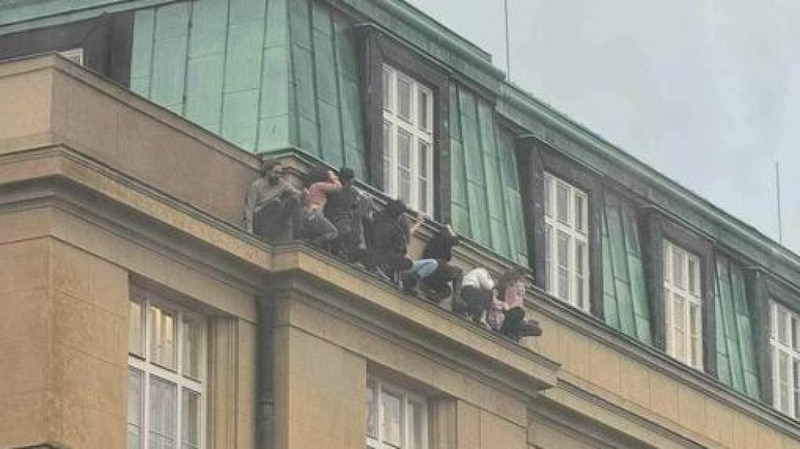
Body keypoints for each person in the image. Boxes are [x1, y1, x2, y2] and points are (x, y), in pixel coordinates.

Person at [363, 199, 438, 294]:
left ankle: (409, 280)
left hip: (383, 261)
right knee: (432, 263)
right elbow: (405, 239)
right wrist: (418, 223)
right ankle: (411, 281)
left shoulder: (381, 221)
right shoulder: (395, 230)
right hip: (395, 265)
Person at [243, 158, 303, 243]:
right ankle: (265, 235)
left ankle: (298, 235)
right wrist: (249, 230)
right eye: (276, 173)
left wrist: (305, 194)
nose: (278, 176)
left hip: (274, 219)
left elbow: (297, 194)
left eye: (280, 173)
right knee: (275, 202)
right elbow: (249, 208)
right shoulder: (256, 185)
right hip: (260, 219)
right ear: (268, 172)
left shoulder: (282, 183)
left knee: (294, 200)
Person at [324, 167, 376, 262]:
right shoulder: (347, 192)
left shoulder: (338, 189)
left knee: (353, 232)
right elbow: (358, 210)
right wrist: (366, 202)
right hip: (339, 222)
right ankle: (347, 254)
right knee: (353, 235)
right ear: (346, 180)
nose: (352, 182)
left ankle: (347, 252)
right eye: (350, 180)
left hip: (338, 221)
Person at [419, 225, 464, 307]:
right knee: (459, 272)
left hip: (431, 277)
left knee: (447, 290)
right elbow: (455, 240)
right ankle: (457, 300)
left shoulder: (441, 242)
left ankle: (434, 296)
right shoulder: (442, 237)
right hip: (434, 268)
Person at [496, 268, 542, 340]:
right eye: (527, 279)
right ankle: (510, 332)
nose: (529, 283)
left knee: (536, 327)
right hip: (508, 312)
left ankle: (515, 333)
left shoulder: (515, 285)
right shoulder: (517, 285)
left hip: (510, 312)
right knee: (520, 313)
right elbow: (514, 304)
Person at [302, 165, 342, 247]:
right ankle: (315, 243)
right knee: (333, 232)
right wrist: (333, 177)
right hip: (315, 214)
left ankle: (310, 242)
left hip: (305, 214)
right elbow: (338, 187)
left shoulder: (310, 188)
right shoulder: (319, 185)